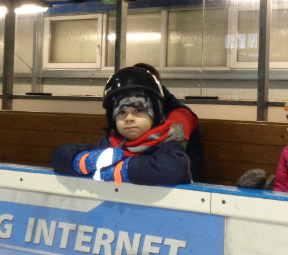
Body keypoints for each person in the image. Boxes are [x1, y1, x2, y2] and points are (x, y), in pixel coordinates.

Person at [51, 66, 191, 186]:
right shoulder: (111, 144)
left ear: (155, 113)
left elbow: (173, 169)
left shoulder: (168, 143)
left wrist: (124, 169)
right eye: (121, 112)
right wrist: (83, 161)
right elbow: (60, 156)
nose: (129, 118)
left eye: (138, 110)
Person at [132, 63, 203, 181]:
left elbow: (173, 153)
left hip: (183, 186)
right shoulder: (134, 112)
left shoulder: (180, 116)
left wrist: (127, 166)